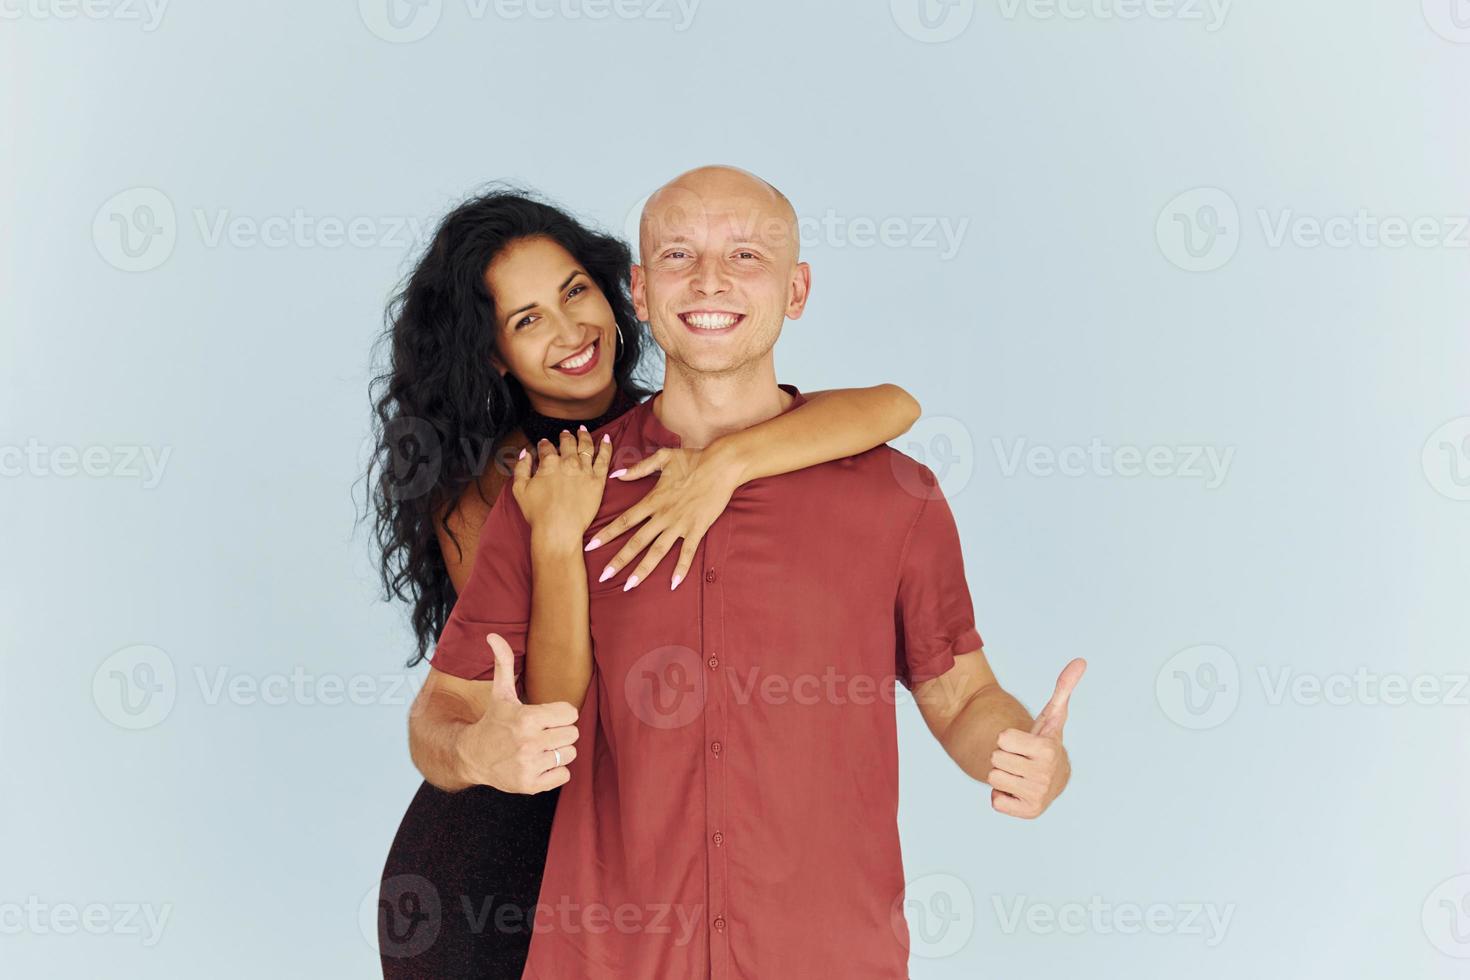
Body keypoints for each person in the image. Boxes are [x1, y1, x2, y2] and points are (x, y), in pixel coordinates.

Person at [412, 166, 1087, 978]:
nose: (709, 280)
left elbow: (964, 696)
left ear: (796, 289)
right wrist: (475, 753)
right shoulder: (554, 493)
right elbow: (441, 712)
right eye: (678, 256)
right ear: (640, 289)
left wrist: (1017, 751)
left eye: (746, 256)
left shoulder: (896, 495)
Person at [367, 187, 925, 977]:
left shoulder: (667, 428)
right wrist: (557, 540)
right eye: (527, 321)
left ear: (616, 289)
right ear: (494, 353)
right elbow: (558, 709)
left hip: (645, 855)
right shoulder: (499, 491)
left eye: (574, 294)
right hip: (502, 863)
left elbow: (892, 407)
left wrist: (727, 463)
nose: (569, 333)